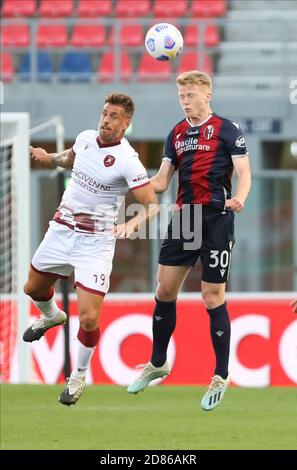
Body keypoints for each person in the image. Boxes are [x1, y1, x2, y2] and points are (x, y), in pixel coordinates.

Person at [23, 93, 158, 406]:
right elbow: (70, 158)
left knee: (87, 319)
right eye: (104, 113)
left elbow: (152, 204)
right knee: (32, 288)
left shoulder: (127, 159)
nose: (106, 120)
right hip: (61, 229)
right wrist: (48, 157)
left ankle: (79, 375)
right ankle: (52, 316)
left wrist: (131, 225)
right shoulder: (85, 139)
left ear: (127, 125)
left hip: (95, 243)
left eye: (114, 117)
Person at [127, 71, 252, 411]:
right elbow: (163, 181)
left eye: (192, 95)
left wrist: (239, 197)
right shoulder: (177, 134)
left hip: (216, 217)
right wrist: (127, 176)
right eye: (182, 95)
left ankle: (220, 374)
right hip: (186, 218)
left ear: (208, 94)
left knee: (212, 296)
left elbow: (244, 172)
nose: (186, 101)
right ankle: (158, 362)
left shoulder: (228, 129)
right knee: (164, 290)